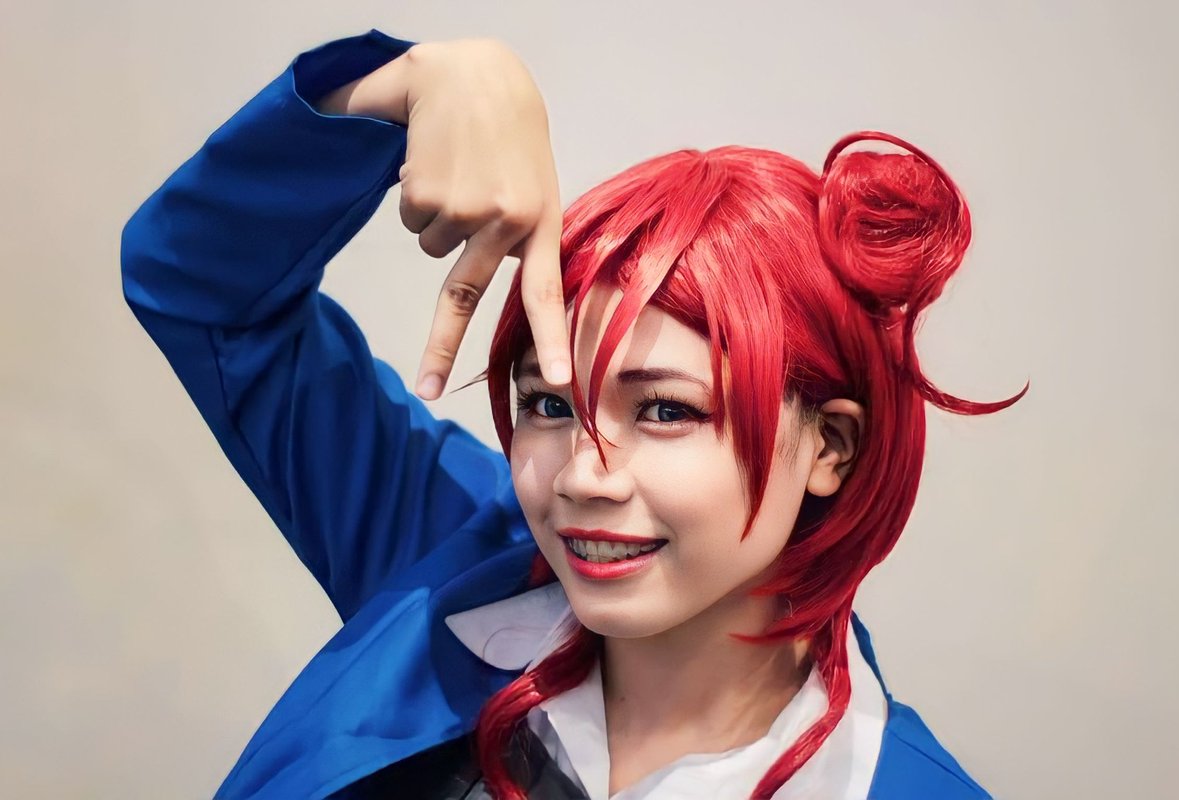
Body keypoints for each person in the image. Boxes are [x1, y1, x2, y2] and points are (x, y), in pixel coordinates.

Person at [120, 27, 1024, 800]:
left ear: (831, 444)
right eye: (550, 403)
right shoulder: (455, 558)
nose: (586, 476)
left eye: (665, 410)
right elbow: (201, 287)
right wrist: (408, 91)